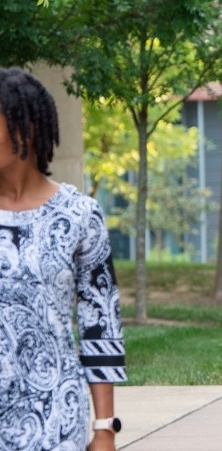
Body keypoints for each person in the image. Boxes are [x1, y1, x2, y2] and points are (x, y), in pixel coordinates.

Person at [0, 67, 126, 451]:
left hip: (55, 415)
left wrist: (104, 429)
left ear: (27, 128)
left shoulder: (78, 215)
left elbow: (100, 322)